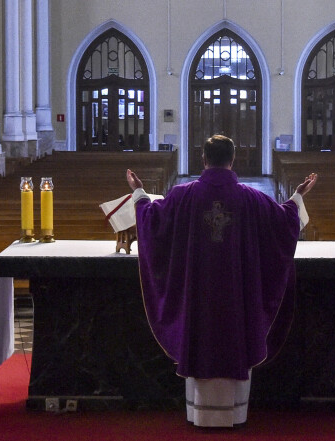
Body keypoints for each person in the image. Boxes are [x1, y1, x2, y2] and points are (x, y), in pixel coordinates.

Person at [126, 134, 317, 427]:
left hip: (197, 299)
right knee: (234, 337)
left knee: (200, 337)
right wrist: (298, 197)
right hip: (236, 300)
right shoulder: (251, 198)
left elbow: (152, 221)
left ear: (203, 159)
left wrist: (139, 193)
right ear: (233, 160)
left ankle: (199, 414)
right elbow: (284, 221)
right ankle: (234, 414)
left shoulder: (181, 195)